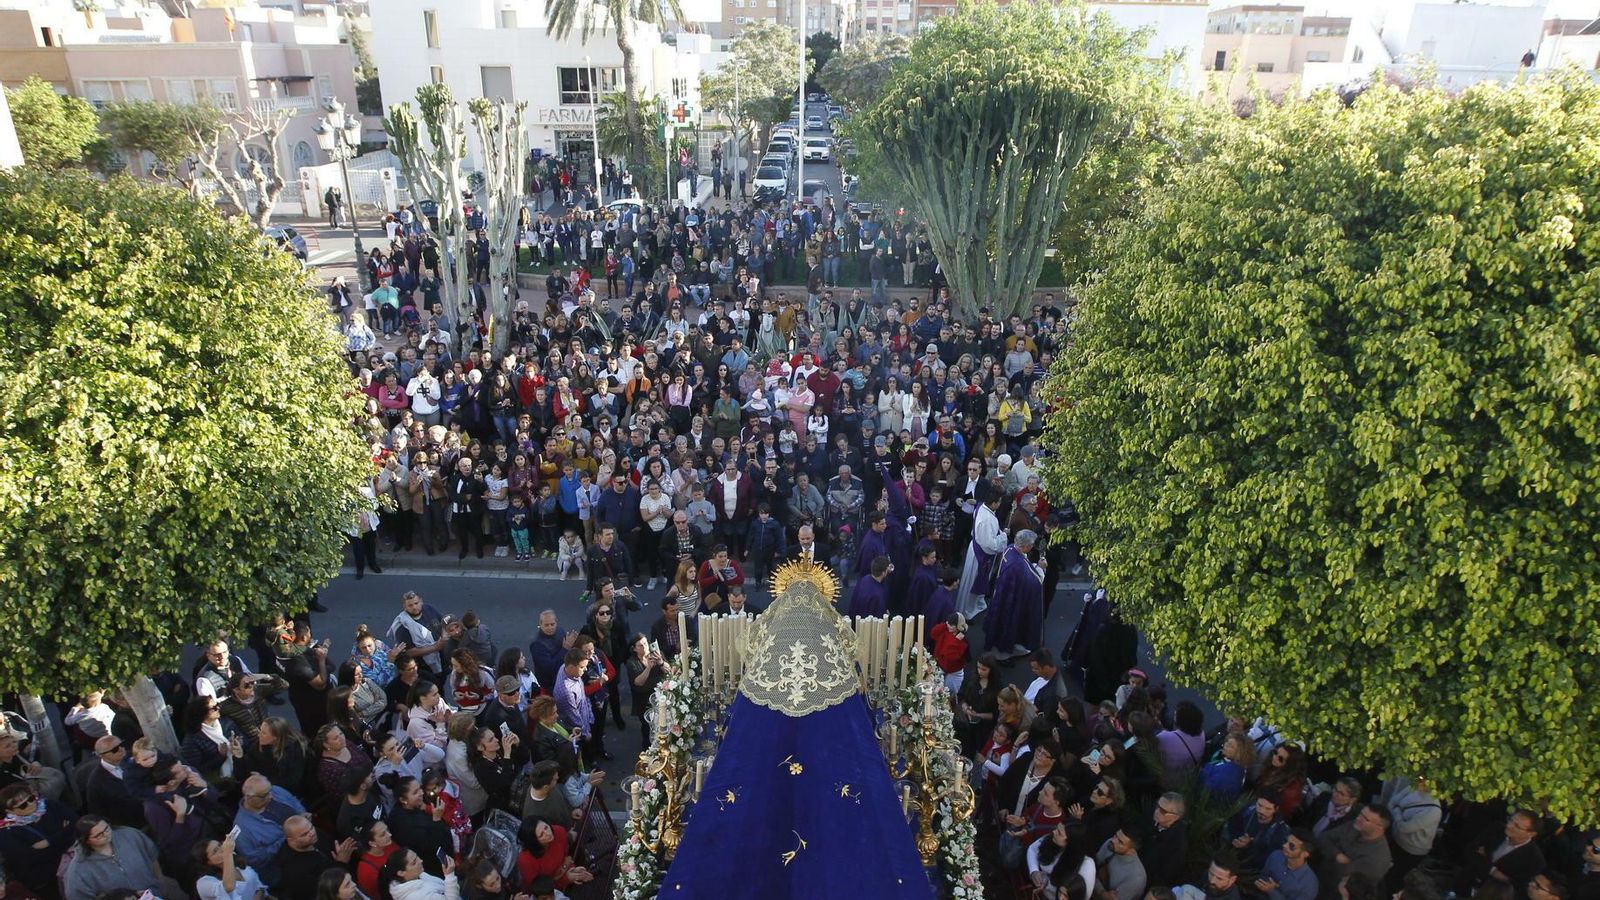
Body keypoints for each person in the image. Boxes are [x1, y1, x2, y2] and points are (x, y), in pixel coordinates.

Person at [64, 814, 188, 900]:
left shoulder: (130, 835)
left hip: (154, 894)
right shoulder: (78, 871)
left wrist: (160, 880)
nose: (106, 834)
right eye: (99, 835)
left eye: (107, 829)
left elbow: (151, 856)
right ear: (86, 841)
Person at [986, 529, 1046, 659]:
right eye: (1031, 545)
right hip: (1011, 602)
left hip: (1002, 595)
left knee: (999, 623)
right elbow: (1034, 583)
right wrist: (1040, 568)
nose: (1031, 548)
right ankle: (1003, 655)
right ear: (1025, 546)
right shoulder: (1017, 565)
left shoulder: (1009, 549)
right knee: (1008, 626)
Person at [957, 490, 1006, 619]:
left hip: (976, 549)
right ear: (994, 503)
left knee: (972, 580)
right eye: (999, 502)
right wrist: (1003, 537)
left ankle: (972, 606)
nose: (1000, 504)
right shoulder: (986, 519)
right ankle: (967, 611)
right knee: (972, 582)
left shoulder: (981, 508)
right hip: (980, 555)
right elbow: (989, 544)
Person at [1255, 829, 1320, 900]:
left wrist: (1272, 891)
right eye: (1286, 841)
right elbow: (1262, 875)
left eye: (1291, 845)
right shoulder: (1276, 855)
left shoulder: (1309, 884)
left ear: (1305, 853)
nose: (1284, 845)